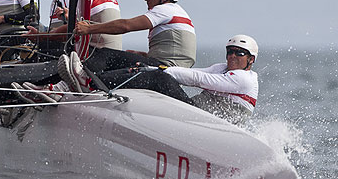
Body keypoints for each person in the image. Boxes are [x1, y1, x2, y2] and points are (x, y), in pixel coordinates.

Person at [59, 34, 259, 124]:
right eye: (230, 51)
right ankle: (79, 77)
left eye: (239, 53)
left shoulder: (244, 79)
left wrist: (158, 70)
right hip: (194, 112)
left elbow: (197, 79)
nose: (232, 56)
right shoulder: (221, 68)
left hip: (206, 122)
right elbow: (193, 73)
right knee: (128, 59)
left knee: (158, 77)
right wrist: (150, 65)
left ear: (250, 59)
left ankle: (91, 83)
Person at [74, 0, 196, 76]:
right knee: (125, 57)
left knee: (106, 55)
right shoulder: (176, 11)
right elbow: (176, 54)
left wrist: (88, 29)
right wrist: (145, 56)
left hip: (164, 69)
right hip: (169, 67)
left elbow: (125, 26)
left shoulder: (165, 10)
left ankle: (82, 78)